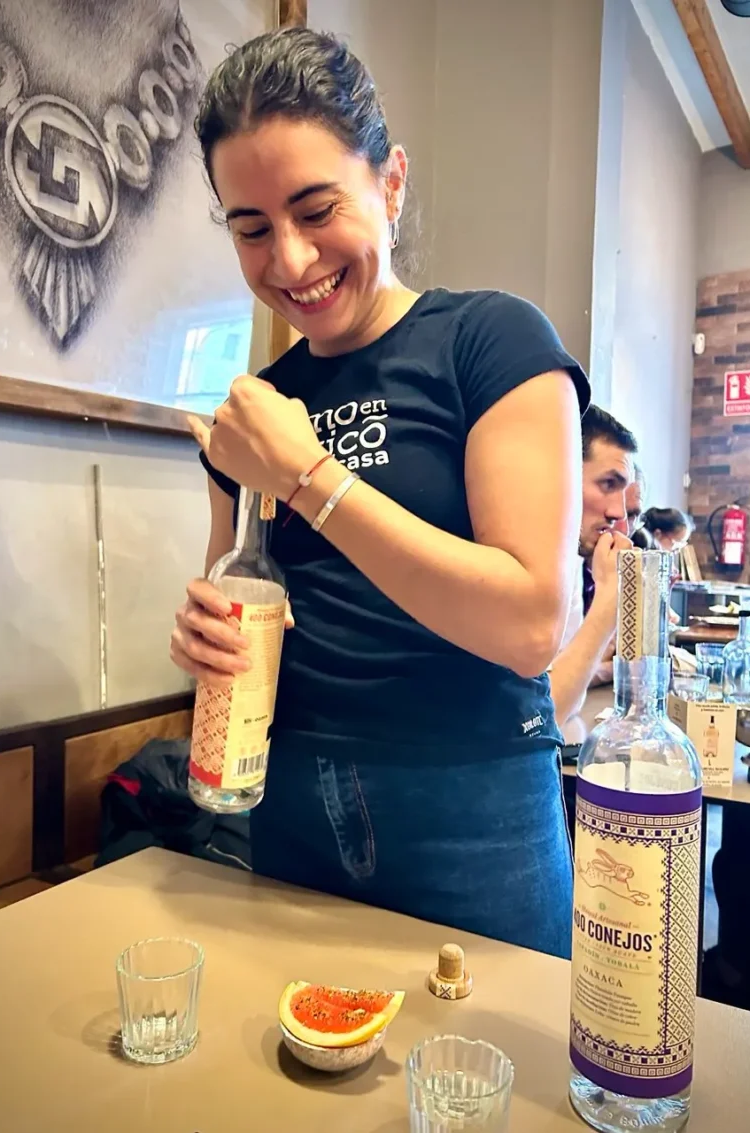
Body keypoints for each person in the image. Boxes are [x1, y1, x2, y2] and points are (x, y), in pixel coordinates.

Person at [170, 28, 589, 957]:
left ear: (391, 184)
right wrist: (204, 639)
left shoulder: (491, 342)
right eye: (250, 228)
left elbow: (531, 622)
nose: (288, 261)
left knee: (485, 1095)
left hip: (473, 809)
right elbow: (249, 613)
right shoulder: (256, 413)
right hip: (287, 800)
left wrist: (310, 477)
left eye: (317, 210)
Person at [551, 407, 636, 724]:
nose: (618, 513)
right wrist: (610, 600)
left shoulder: (568, 558)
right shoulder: (495, 554)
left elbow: (568, 699)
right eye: (608, 484)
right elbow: (543, 714)